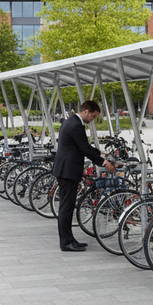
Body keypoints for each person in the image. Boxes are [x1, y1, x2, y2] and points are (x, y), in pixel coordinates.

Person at [53, 100, 115, 252]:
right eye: (93, 116)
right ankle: (66, 242)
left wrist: (99, 153)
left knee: (67, 207)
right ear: (86, 111)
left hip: (66, 169)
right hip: (68, 171)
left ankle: (69, 239)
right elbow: (84, 148)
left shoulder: (71, 121)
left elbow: (82, 145)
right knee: (66, 208)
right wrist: (103, 162)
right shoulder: (76, 124)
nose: (92, 120)